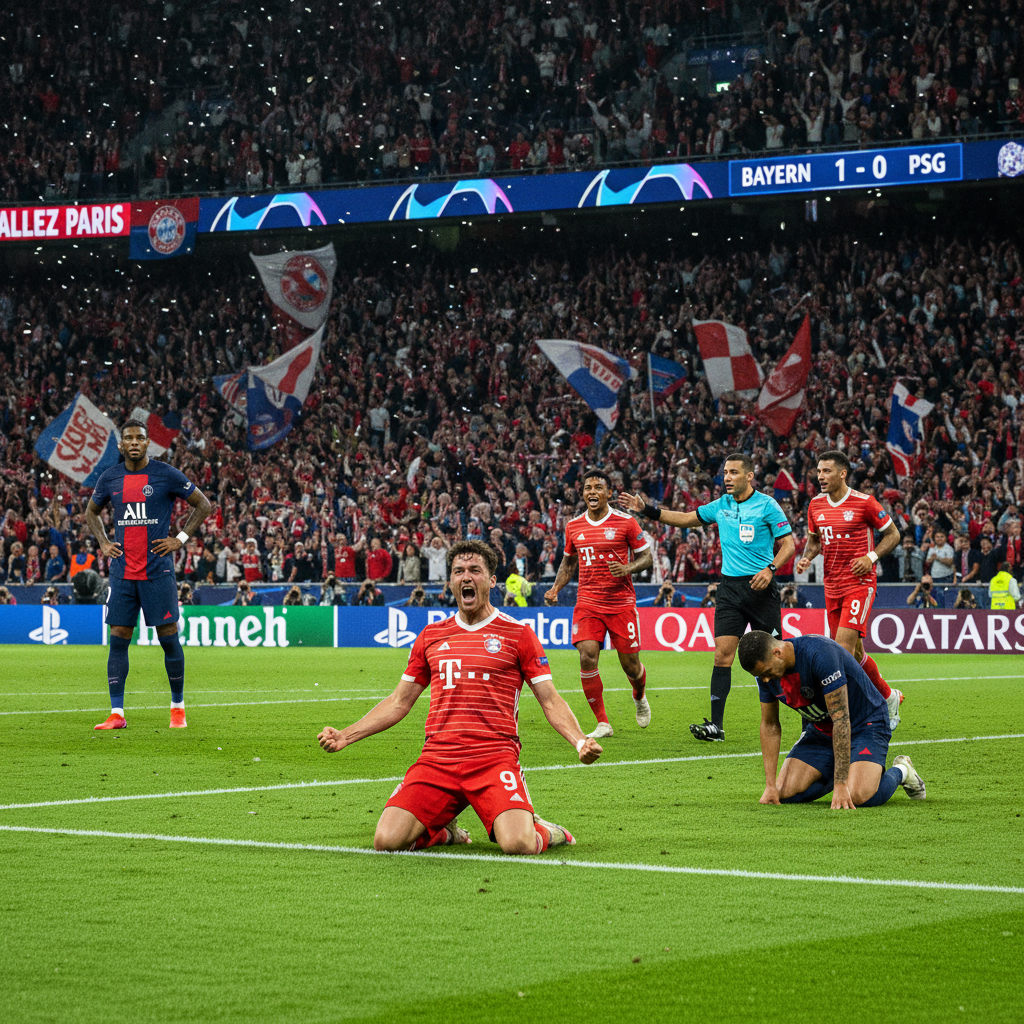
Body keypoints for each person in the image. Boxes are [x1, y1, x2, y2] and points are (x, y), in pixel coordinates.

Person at [317, 540, 601, 854]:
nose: (466, 577)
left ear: (492, 581)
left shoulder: (519, 634)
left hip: (493, 759)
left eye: (475, 571)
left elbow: (549, 699)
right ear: (450, 581)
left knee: (519, 844)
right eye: (458, 571)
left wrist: (579, 740)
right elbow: (400, 701)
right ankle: (445, 831)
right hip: (438, 760)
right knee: (386, 841)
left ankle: (548, 830)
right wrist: (346, 735)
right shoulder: (430, 636)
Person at [621, 452, 794, 742]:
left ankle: (808, 718)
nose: (727, 477)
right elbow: (687, 518)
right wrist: (648, 510)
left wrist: (771, 569)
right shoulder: (721, 505)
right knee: (722, 656)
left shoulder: (767, 505)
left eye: (734, 472)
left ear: (749, 476)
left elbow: (788, 544)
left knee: (777, 658)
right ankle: (716, 726)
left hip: (761, 590)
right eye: (726, 472)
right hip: (729, 590)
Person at [85, 419, 212, 730]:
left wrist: (178, 540)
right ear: (120, 445)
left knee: (168, 640)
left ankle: (178, 708)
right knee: (118, 641)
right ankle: (117, 714)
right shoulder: (109, 478)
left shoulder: (165, 474)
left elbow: (203, 505)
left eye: (139, 438)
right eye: (128, 438)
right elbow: (91, 511)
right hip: (123, 573)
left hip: (157, 572)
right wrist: (103, 542)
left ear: (147, 443)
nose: (133, 442)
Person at [737, 630, 926, 808]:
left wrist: (841, 784)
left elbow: (841, 719)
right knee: (783, 793)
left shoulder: (819, 654)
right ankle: (845, 769)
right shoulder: (765, 677)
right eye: (760, 676)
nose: (766, 680)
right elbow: (770, 725)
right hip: (820, 730)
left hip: (865, 724)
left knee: (857, 796)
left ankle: (902, 770)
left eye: (766, 673)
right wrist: (770, 785)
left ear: (777, 652)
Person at [795, 451, 904, 729]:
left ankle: (844, 718)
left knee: (840, 649)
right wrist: (808, 556)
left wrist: (871, 558)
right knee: (854, 654)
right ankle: (888, 697)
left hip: (859, 583)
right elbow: (816, 541)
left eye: (827, 471)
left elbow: (893, 535)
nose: (820, 476)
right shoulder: (815, 505)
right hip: (831, 585)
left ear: (843, 473)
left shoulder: (864, 503)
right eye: (819, 471)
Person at [545, 468, 654, 738]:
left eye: (597, 487)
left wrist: (628, 568)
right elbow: (569, 561)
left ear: (608, 493)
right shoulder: (574, 526)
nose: (592, 492)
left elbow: (647, 557)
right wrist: (556, 587)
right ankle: (603, 722)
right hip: (588, 602)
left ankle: (639, 696)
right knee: (587, 657)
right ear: (583, 493)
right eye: (587, 488)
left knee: (631, 666)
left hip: (620, 603)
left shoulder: (626, 522)